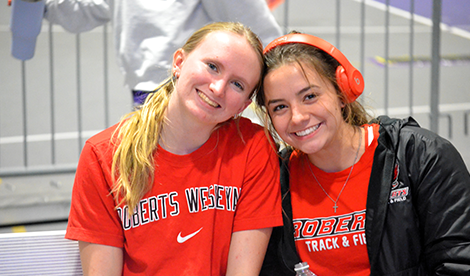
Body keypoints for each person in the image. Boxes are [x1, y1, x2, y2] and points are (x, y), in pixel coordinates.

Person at [65, 22, 283, 275]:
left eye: (237, 84)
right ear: (179, 62)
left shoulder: (253, 147)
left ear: (243, 105)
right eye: (212, 66)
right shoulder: (103, 154)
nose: (218, 88)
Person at [255, 33, 470, 275]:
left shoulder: (422, 157)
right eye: (280, 107)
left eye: (310, 96)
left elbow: (459, 263)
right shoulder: (272, 180)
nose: (298, 117)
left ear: (342, 92)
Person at [43, 0, 283, 106]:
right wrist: (44, 5)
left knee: (196, 175)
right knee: (159, 176)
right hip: (146, 88)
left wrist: (285, 75)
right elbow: (91, 7)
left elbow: (256, 27)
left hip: (194, 87)